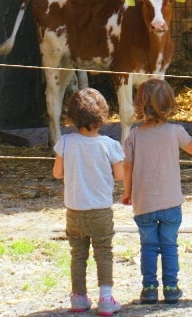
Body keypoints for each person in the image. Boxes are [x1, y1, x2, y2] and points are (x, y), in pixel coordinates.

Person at [119, 79, 192, 305]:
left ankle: (149, 288)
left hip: (143, 204)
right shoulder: (176, 131)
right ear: (170, 103)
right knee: (170, 245)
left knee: (149, 246)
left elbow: (127, 166)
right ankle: (171, 287)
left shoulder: (134, 135)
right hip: (171, 203)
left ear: (140, 104)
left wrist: (127, 193)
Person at [52, 88, 127, 315]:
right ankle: (105, 298)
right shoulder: (109, 145)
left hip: (74, 209)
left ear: (72, 117)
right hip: (101, 210)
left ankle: (79, 297)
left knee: (78, 253)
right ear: (102, 116)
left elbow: (57, 173)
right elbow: (120, 175)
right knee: (103, 251)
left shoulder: (65, 142)